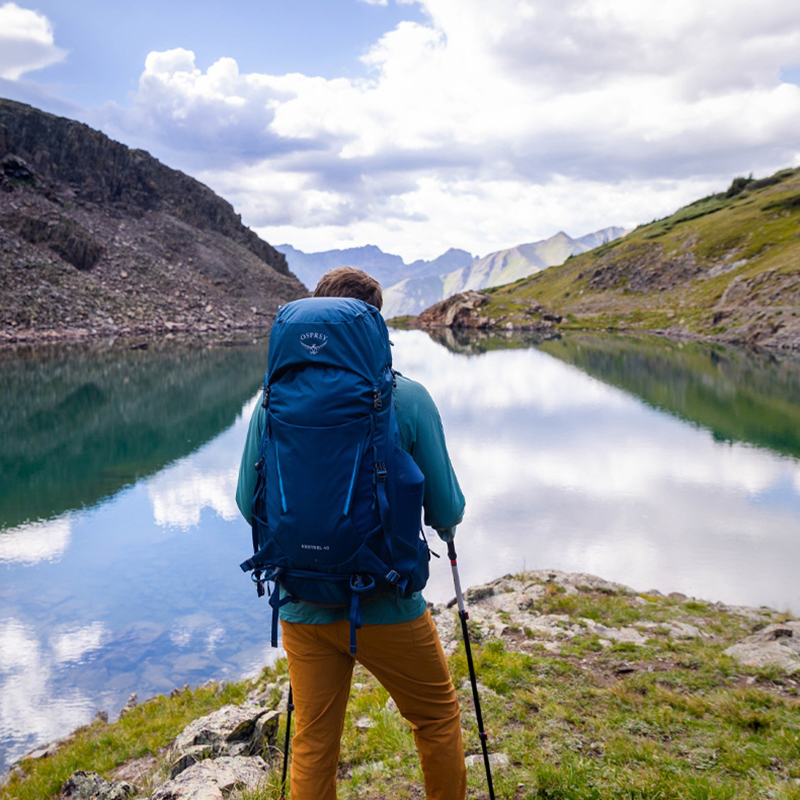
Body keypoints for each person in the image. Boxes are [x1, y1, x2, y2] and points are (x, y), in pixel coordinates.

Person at [236, 266, 467, 800]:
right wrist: (444, 526)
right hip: (387, 602)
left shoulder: (272, 403)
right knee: (435, 720)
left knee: (314, 741)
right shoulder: (406, 399)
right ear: (372, 325)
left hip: (301, 604)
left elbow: (249, 505)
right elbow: (446, 508)